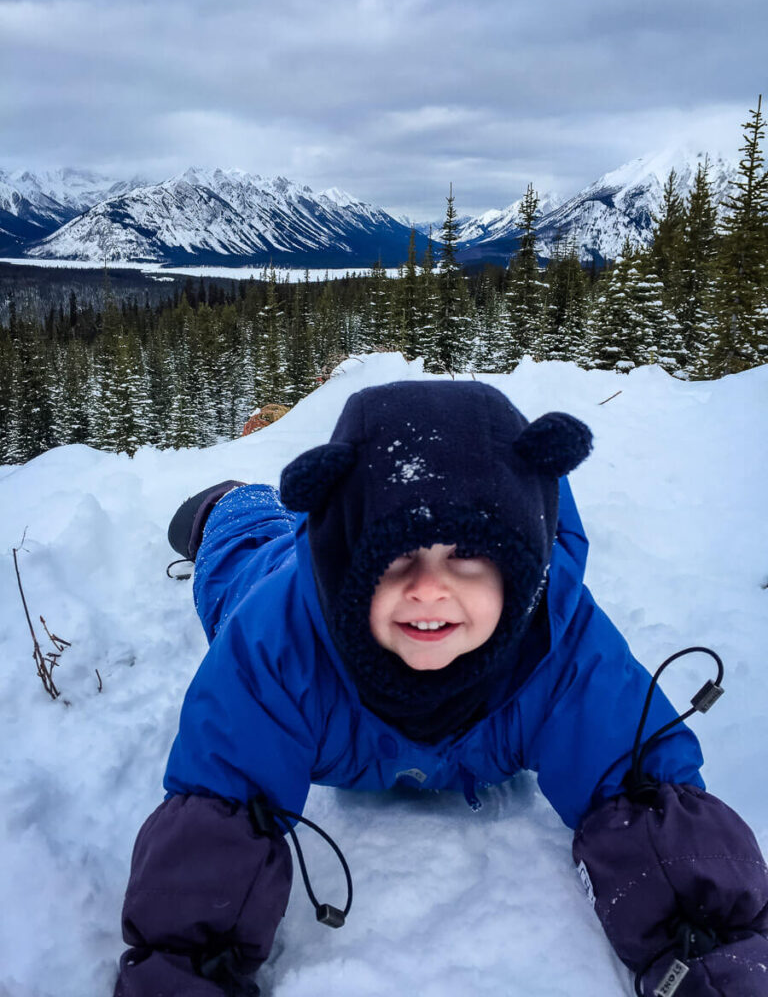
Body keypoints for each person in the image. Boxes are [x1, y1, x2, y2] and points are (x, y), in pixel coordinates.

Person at [115, 380, 768, 997]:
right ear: (351, 563)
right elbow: (221, 809)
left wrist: (715, 958)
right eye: (396, 560)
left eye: (466, 558)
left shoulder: (559, 641)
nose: (430, 589)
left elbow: (641, 793)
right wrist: (185, 971)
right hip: (288, 572)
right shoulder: (279, 644)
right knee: (247, 561)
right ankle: (232, 505)